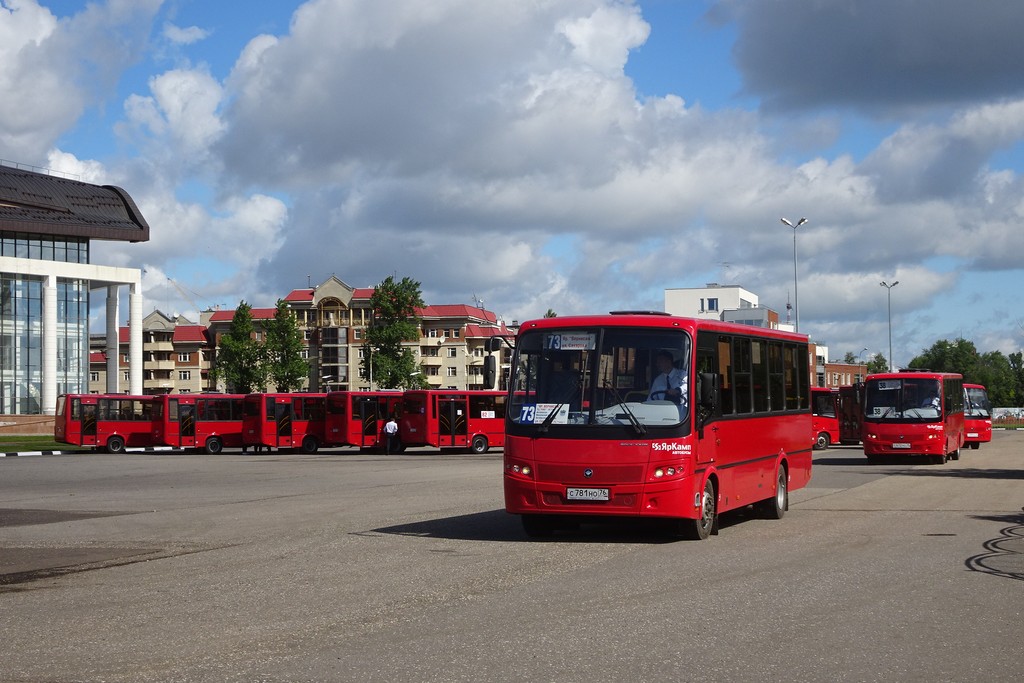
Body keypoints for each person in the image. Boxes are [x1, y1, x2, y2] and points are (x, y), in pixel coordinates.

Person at [648, 349, 687, 416]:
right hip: (663, 414)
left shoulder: (682, 374)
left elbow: (688, 386)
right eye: (657, 362)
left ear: (668, 362)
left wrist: (678, 390)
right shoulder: (658, 380)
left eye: (660, 361)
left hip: (682, 413)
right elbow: (651, 398)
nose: (657, 364)